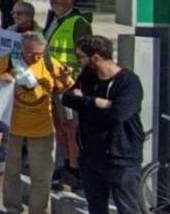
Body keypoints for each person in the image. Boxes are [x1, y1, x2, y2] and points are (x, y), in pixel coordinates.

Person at [0, 32, 74, 214]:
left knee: (42, 177)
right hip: (12, 128)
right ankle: (12, 208)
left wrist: (63, 80)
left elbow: (68, 87)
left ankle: (39, 211)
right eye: (31, 54)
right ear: (22, 50)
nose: (35, 58)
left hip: (42, 129)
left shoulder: (50, 63)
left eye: (39, 54)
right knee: (11, 173)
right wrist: (0, 80)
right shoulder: (9, 62)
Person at [63, 35, 144, 214]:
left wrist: (84, 99)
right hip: (90, 155)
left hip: (120, 157)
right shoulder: (88, 76)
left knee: (127, 208)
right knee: (96, 207)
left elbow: (119, 113)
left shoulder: (128, 82)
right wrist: (99, 102)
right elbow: (67, 99)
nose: (78, 61)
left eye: (80, 56)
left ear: (96, 57)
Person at [45, 0, 93, 184]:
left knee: (71, 127)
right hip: (52, 84)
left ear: (71, 0)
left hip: (69, 84)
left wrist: (78, 84)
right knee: (60, 125)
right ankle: (66, 163)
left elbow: (87, 56)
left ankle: (75, 169)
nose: (53, 0)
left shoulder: (78, 22)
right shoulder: (55, 20)